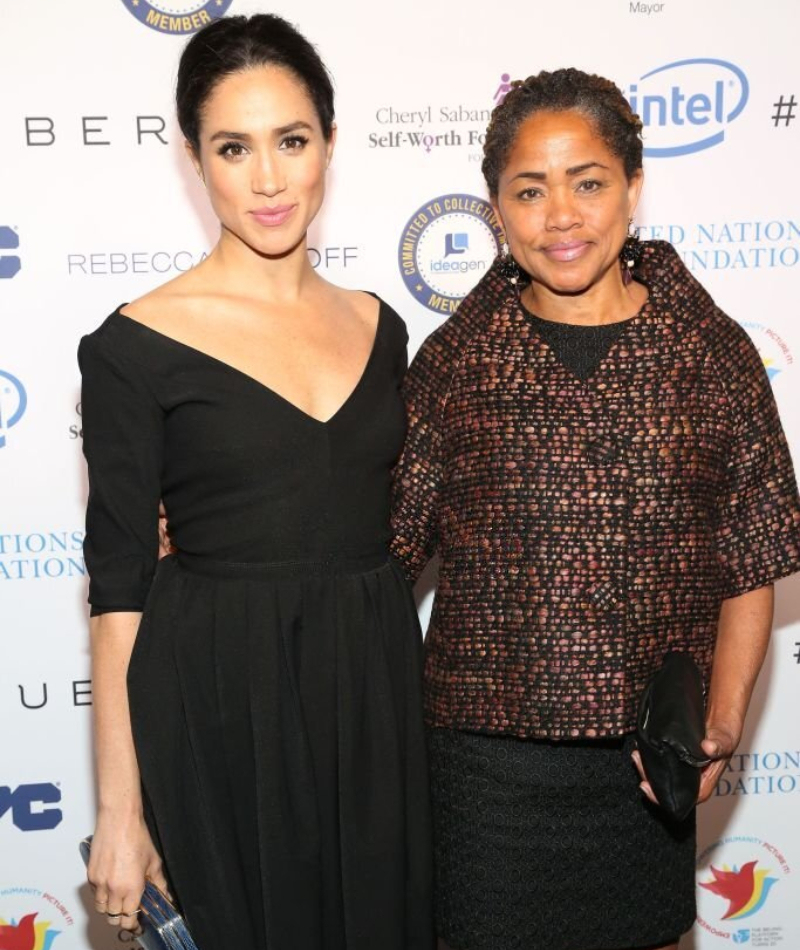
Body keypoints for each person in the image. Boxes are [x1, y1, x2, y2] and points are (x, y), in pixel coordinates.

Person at [390, 68, 800, 950]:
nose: (562, 216)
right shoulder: (454, 363)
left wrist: (721, 721)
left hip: (645, 769)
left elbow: (752, 560)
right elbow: (373, 544)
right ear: (496, 210)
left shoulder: (711, 351)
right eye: (529, 192)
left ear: (634, 188)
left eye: (588, 182)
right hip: (482, 766)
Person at [79, 14, 433, 950]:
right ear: (195, 159)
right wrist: (121, 812)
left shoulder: (382, 328)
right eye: (234, 147)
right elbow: (118, 593)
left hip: (371, 694)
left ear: (329, 143)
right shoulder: (133, 345)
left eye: (292, 141)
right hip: (218, 701)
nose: (268, 179)